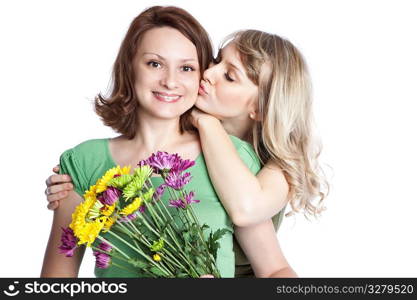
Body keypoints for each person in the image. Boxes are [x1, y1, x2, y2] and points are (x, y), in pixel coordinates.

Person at [41, 6, 295, 278]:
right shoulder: (83, 162)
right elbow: (55, 283)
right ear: (129, 67)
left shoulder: (231, 158)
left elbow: (274, 272)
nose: (170, 81)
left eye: (186, 68)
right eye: (154, 63)